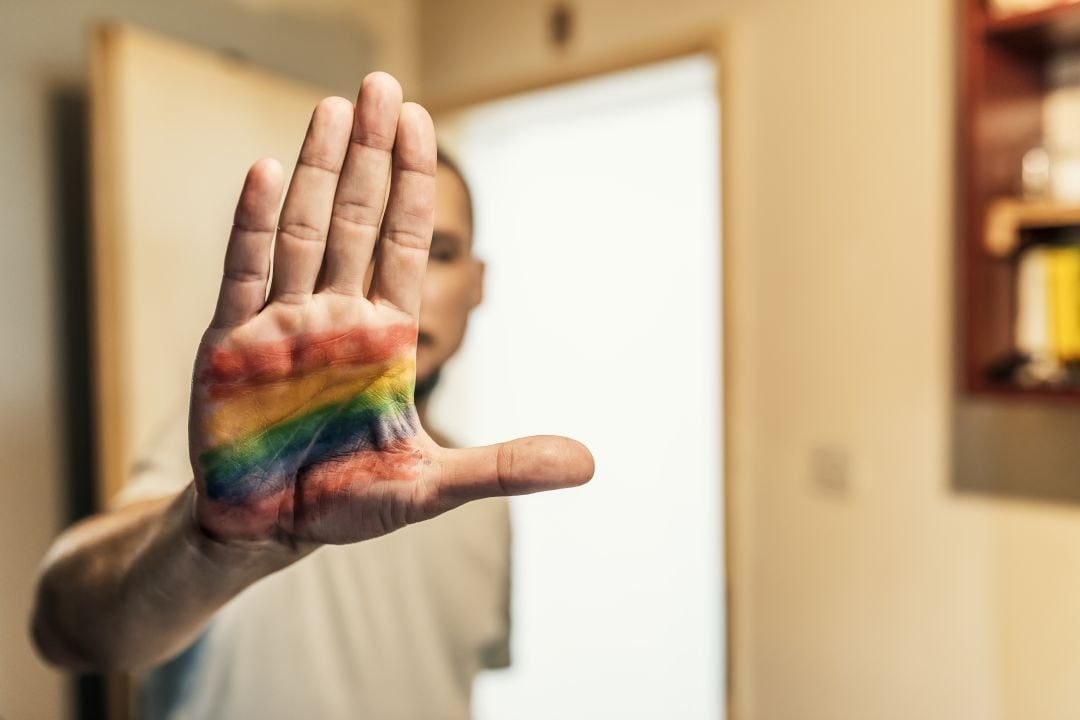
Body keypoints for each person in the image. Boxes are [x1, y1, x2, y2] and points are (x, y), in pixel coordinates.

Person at [31, 71, 594, 719]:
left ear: (479, 283)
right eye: (374, 246)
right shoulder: (252, 452)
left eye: (439, 253)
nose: (398, 282)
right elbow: (65, 625)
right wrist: (213, 542)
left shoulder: (483, 504)